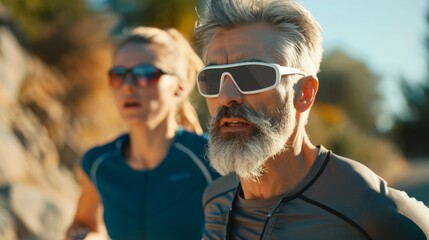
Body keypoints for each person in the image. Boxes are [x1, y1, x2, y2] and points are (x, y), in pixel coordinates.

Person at [193, 0, 429, 239]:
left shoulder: (365, 206)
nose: (226, 97)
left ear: (304, 93)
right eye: (212, 79)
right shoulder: (215, 199)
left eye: (252, 76)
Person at [65, 26, 219, 240]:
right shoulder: (99, 163)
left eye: (145, 74)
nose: (128, 86)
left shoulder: (212, 158)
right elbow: (83, 226)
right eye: (119, 75)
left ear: (179, 87)